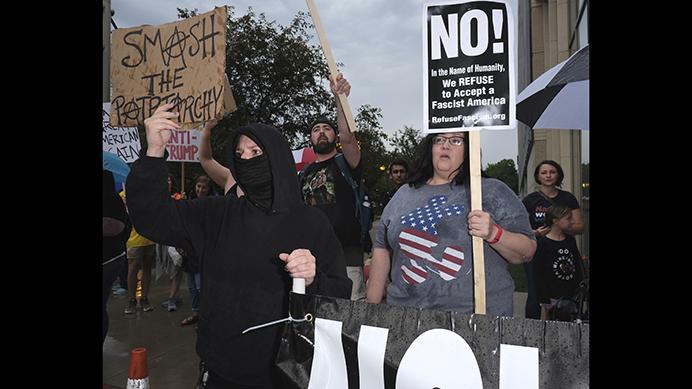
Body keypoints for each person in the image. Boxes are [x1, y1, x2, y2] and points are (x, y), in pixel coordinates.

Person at [125, 103, 351, 388]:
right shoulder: (216, 214)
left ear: (277, 158)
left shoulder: (313, 223)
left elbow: (340, 296)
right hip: (221, 369)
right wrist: (154, 152)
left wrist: (312, 278)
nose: (246, 161)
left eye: (255, 153)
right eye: (239, 155)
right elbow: (152, 218)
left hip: (286, 375)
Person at [366, 132, 536, 316]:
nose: (445, 145)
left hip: (475, 321)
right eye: (439, 140)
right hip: (406, 318)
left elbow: (526, 251)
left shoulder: (492, 190)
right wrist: (371, 311)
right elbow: (381, 249)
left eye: (455, 140)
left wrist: (493, 233)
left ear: (469, 149)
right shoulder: (403, 194)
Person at [298, 73, 366, 301]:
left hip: (347, 253)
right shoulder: (305, 173)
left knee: (351, 313)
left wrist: (340, 99)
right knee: (319, 312)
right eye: (316, 129)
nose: (321, 132)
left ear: (334, 134)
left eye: (326, 128)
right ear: (311, 139)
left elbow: (348, 137)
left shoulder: (346, 162)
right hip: (314, 254)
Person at [521, 160, 584, 319]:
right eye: (544, 172)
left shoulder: (568, 198)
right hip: (537, 249)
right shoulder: (530, 200)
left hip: (562, 248)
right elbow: (520, 228)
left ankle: (563, 325)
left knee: (564, 291)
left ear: (558, 175)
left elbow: (580, 226)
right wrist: (535, 233)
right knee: (536, 293)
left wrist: (562, 227)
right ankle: (531, 331)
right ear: (538, 176)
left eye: (552, 172)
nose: (548, 175)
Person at [533, 204, 585, 321]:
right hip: (550, 297)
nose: (572, 221)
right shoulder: (543, 243)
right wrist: (543, 298)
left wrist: (580, 287)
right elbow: (538, 272)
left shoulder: (570, 241)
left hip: (570, 295)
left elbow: (577, 264)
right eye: (568, 218)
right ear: (555, 221)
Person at [103, 170, 132, 343]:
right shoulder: (116, 200)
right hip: (116, 257)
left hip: (109, 259)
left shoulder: (112, 201)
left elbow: (119, 226)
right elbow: (125, 227)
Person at [179, 175, 211, 326]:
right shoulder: (188, 202)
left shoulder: (211, 204)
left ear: (208, 189)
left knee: (201, 287)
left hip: (201, 252)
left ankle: (206, 316)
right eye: (198, 186)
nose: (200, 189)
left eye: (203, 187)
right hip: (188, 252)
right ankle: (196, 313)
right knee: (191, 287)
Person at [119, 186, 157, 314]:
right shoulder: (123, 195)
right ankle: (132, 299)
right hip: (133, 237)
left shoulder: (148, 192)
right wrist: (124, 206)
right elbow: (118, 215)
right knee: (133, 267)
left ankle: (144, 298)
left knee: (147, 267)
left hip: (149, 236)